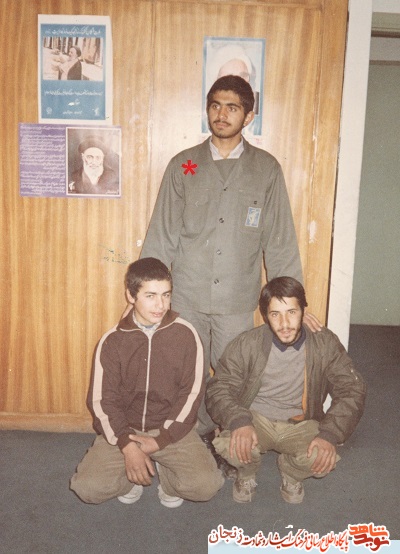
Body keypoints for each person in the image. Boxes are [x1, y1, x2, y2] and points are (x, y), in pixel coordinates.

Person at [140, 75, 321, 457]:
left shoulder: (266, 169)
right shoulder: (184, 165)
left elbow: (280, 242)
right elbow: (161, 235)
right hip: (187, 296)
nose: (222, 115)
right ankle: (186, 439)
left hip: (237, 300)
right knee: (183, 372)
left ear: (248, 116)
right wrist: (144, 296)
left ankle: (226, 439)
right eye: (216, 106)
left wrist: (293, 305)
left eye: (232, 108)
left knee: (234, 376)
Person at [70, 258, 224, 508]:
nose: (160, 305)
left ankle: (167, 477)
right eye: (150, 296)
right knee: (87, 488)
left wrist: (161, 440)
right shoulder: (112, 341)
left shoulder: (186, 335)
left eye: (166, 295)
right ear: (131, 296)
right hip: (125, 428)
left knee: (206, 486)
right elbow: (102, 401)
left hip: (170, 430)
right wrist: (127, 445)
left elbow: (192, 393)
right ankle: (131, 478)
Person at [205, 276, 366, 504]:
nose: (284, 323)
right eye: (275, 314)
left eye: (291, 312)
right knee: (228, 444)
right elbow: (219, 387)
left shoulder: (324, 343)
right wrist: (239, 421)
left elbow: (352, 389)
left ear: (303, 311)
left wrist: (330, 434)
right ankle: (247, 474)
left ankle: (291, 472)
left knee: (321, 458)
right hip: (255, 420)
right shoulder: (247, 343)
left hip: (299, 423)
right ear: (265, 316)